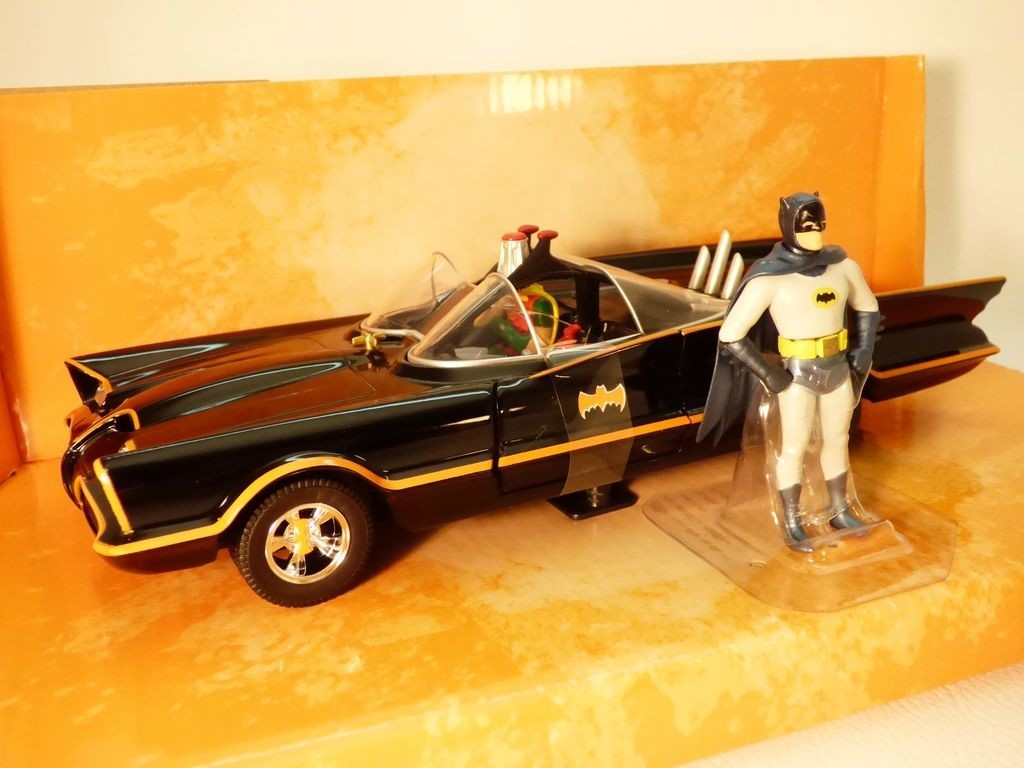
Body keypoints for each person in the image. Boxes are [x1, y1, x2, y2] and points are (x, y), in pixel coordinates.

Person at [698, 192, 881, 551]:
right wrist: (768, 374)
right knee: (793, 447)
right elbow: (731, 334)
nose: (816, 231)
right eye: (807, 224)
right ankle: (794, 521)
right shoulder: (770, 278)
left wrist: (862, 352)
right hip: (797, 374)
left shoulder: (843, 266)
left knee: (838, 439)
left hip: (838, 368)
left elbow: (868, 308)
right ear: (789, 225)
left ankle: (840, 509)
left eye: (820, 223)